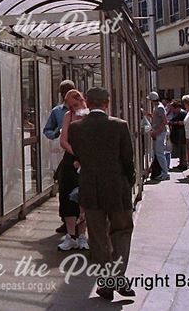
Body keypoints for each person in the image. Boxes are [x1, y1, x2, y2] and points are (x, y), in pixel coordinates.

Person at [67, 87, 136, 301]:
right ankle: (118, 277)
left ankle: (106, 283)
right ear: (107, 102)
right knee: (122, 231)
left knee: (97, 238)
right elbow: (128, 159)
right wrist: (129, 181)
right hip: (117, 188)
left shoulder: (76, 128)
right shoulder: (120, 126)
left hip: (91, 189)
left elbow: (78, 155)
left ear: (87, 102)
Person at [56, 89, 90, 251]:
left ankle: (82, 235)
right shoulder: (68, 116)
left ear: (82, 100)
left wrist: (84, 157)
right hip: (71, 160)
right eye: (70, 106)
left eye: (75, 104)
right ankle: (71, 235)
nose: (73, 108)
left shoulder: (88, 115)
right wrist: (76, 154)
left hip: (86, 161)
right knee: (68, 197)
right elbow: (63, 140)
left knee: (83, 199)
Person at [44, 79, 77, 234]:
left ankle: (79, 221)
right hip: (62, 155)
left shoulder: (82, 110)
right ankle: (66, 220)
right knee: (64, 189)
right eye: (63, 92)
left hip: (77, 154)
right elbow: (47, 130)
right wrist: (56, 133)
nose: (66, 95)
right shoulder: (57, 111)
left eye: (69, 91)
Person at [147, 92, 170, 181]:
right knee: (159, 153)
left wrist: (157, 132)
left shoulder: (159, 108)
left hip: (160, 133)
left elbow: (164, 121)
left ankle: (165, 173)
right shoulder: (158, 107)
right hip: (159, 132)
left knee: (160, 153)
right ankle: (163, 172)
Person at [168, 100, 188, 171]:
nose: (171, 110)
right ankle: (181, 163)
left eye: (172, 108)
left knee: (182, 149)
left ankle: (183, 164)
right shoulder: (175, 113)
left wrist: (174, 123)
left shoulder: (182, 113)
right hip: (177, 133)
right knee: (179, 149)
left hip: (181, 133)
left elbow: (182, 123)